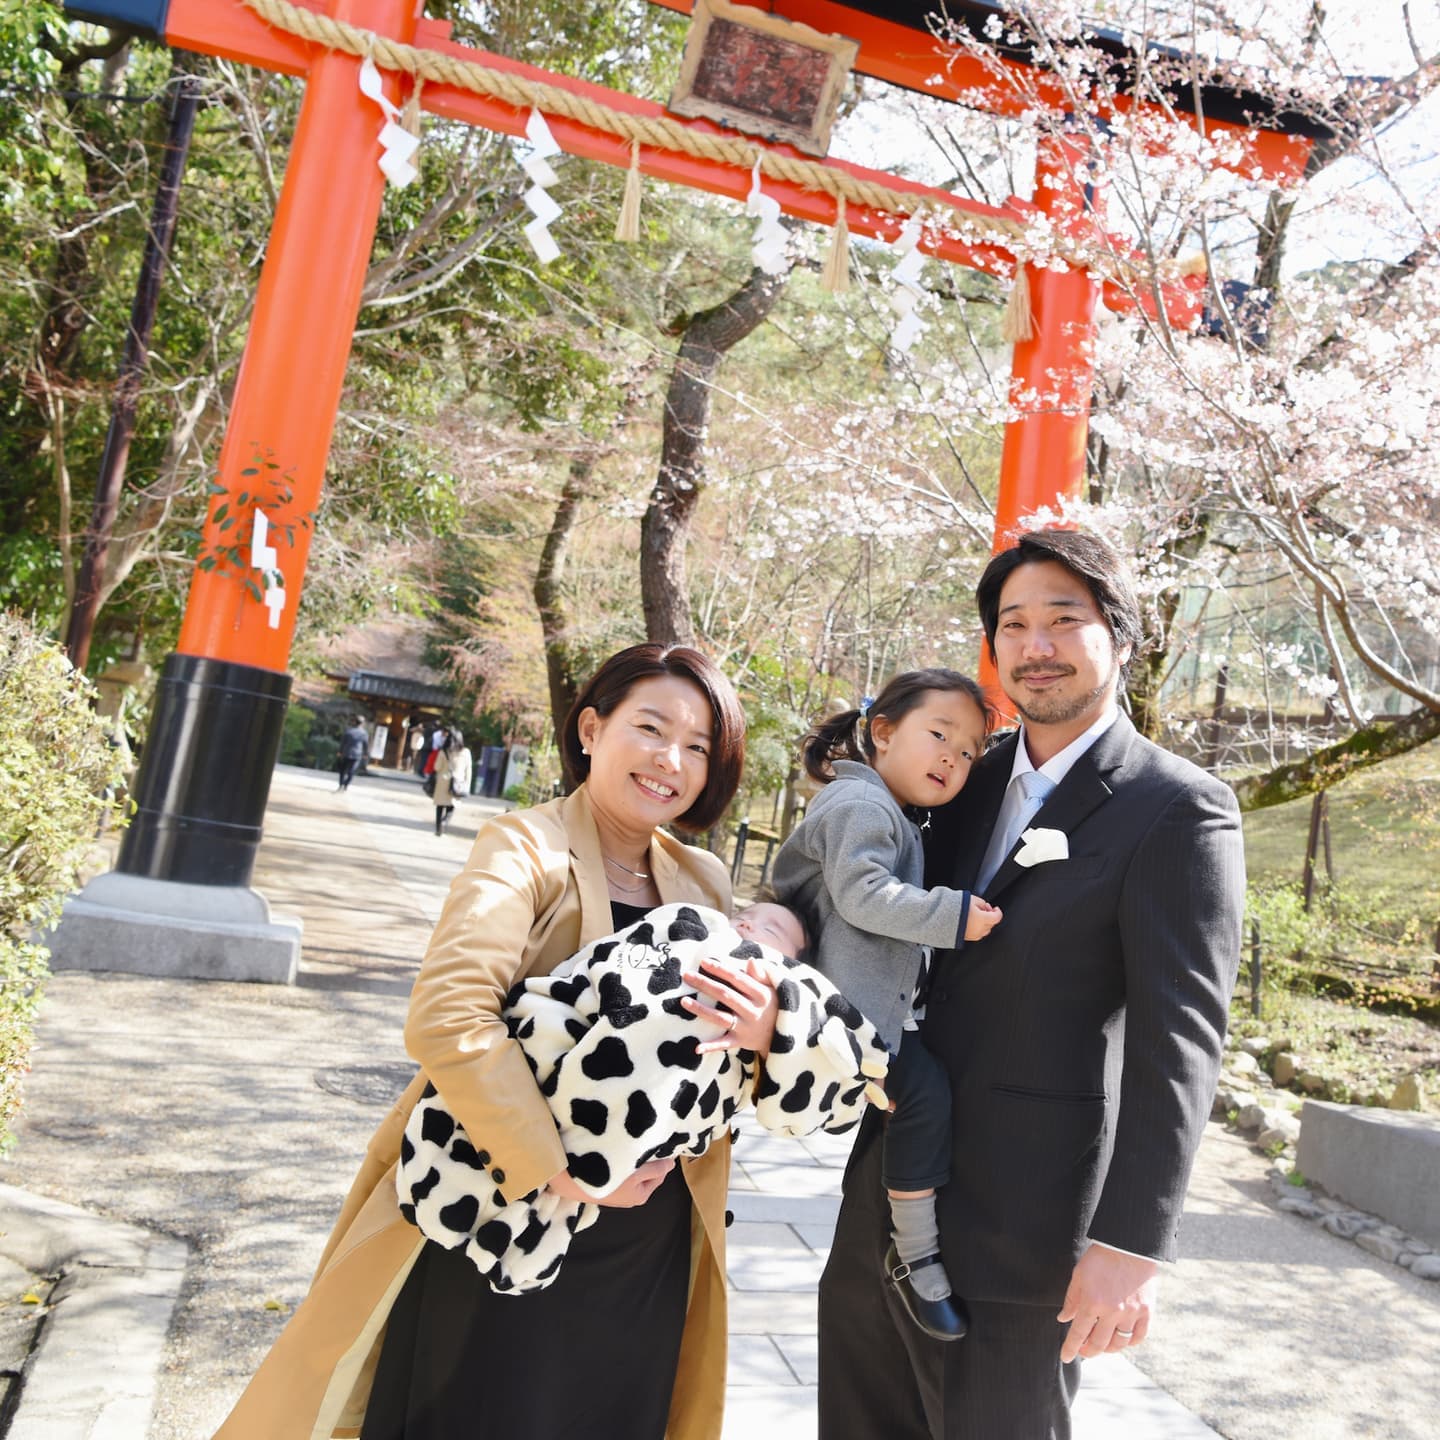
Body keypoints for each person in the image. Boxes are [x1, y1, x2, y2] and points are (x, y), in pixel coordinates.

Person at [214, 644, 777, 1440]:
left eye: (697, 747)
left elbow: (726, 1053)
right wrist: (565, 1171)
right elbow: (449, 1013)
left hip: (647, 1239)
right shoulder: (523, 848)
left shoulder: (704, 880)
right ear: (591, 728)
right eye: (651, 728)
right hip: (509, 1211)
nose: (670, 760)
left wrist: (761, 1026)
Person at [817, 528, 1246, 1440]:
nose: (1036, 646)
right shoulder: (955, 780)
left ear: (1121, 639)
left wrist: (1131, 1244)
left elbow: (1183, 1040)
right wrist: (781, 917)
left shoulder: (1178, 809)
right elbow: (857, 890)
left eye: (1064, 620)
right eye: (1013, 625)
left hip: (1030, 1232)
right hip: (884, 1200)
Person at [771, 670, 1002, 1342]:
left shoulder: (883, 809)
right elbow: (863, 895)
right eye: (938, 735)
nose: (951, 759)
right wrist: (953, 916)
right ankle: (917, 1253)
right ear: (883, 731)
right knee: (925, 1099)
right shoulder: (862, 810)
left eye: (967, 753)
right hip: (845, 1015)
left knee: (921, 1099)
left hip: (864, 1009)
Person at [430, 727, 472, 835]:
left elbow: (436, 767)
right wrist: (467, 783)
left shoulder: (444, 751)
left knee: (440, 805)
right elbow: (468, 770)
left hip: (443, 781)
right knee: (452, 805)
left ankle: (438, 827)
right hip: (457, 782)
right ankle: (445, 821)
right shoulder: (466, 752)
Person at [336, 715, 369, 791]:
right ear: (362, 723)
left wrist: (340, 751)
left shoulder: (349, 731)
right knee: (352, 771)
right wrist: (366, 753)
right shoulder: (364, 733)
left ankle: (341, 784)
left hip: (346, 753)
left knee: (343, 770)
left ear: (354, 722)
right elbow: (365, 744)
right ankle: (346, 785)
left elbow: (343, 742)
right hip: (357, 754)